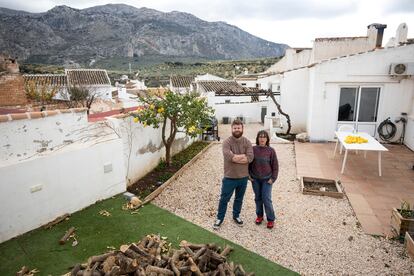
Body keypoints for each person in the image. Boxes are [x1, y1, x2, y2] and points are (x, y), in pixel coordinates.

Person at [213, 119, 253, 229]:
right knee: (224, 199)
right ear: (232, 129)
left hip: (243, 178)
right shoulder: (227, 142)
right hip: (229, 177)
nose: (237, 130)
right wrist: (241, 156)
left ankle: (236, 216)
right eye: (235, 128)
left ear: (242, 129)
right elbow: (229, 157)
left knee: (239, 199)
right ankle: (219, 218)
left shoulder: (247, 142)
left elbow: (250, 158)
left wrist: (235, 157)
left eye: (238, 128)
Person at [249, 130, 279, 229]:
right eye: (260, 137)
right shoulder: (253, 149)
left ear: (267, 139)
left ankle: (271, 219)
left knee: (266, 199)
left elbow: (275, 166)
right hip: (255, 179)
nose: (262, 139)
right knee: (258, 198)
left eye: (264, 137)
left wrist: (273, 178)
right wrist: (248, 175)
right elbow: (248, 163)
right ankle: (259, 216)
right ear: (257, 138)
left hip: (267, 179)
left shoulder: (271, 151)